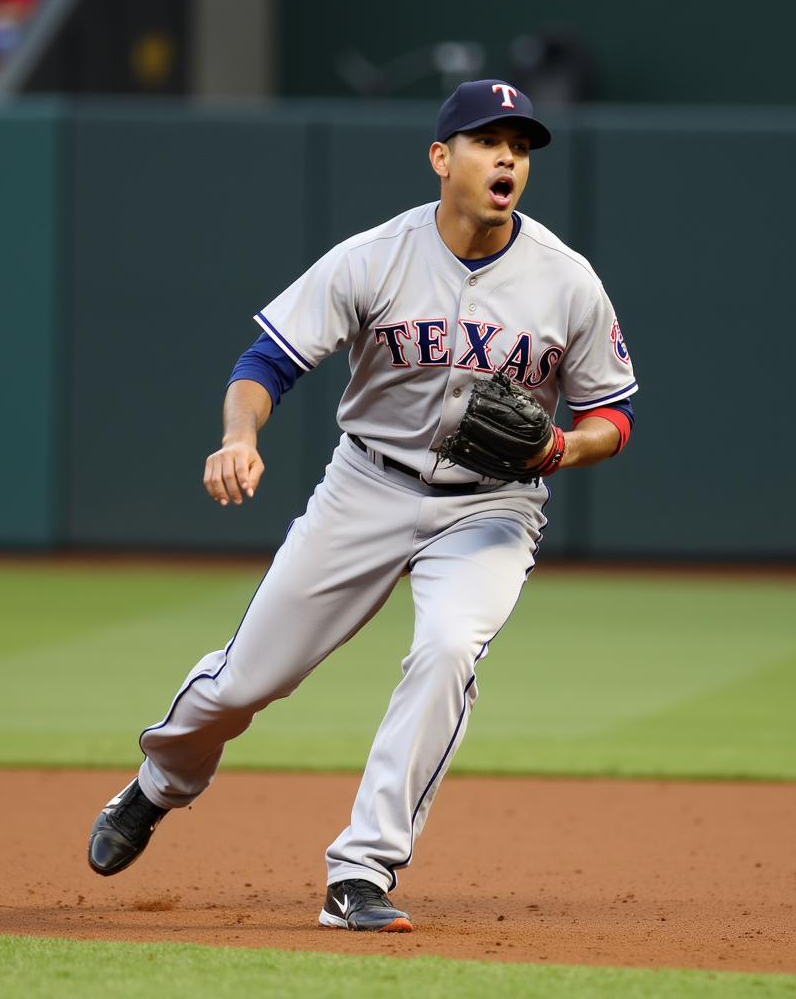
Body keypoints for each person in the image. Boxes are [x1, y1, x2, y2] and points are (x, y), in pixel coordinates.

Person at [87, 79, 637, 933]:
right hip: (368, 486)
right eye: (489, 142)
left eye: (520, 147)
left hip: (491, 507)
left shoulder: (568, 281)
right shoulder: (375, 256)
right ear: (441, 158)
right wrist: (241, 437)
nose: (507, 159)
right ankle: (159, 783)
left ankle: (362, 872)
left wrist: (564, 447)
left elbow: (614, 413)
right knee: (245, 683)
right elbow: (265, 364)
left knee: (451, 648)